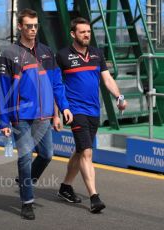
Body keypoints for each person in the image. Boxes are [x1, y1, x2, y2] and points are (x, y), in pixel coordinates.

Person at [0, 8, 73, 220]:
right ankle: (27, 202)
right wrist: (4, 120)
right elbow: (3, 90)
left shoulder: (47, 52)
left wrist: (62, 108)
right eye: (28, 25)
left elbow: (56, 84)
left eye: (35, 25)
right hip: (20, 116)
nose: (32, 29)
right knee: (24, 158)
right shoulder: (9, 54)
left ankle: (26, 181)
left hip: (44, 115)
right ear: (20, 26)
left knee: (47, 154)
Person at [56, 17, 127, 213]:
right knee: (87, 152)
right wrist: (57, 113)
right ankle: (94, 197)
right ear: (73, 34)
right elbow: (55, 85)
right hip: (75, 111)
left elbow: (107, 79)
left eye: (88, 31)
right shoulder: (62, 55)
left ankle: (65, 187)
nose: (87, 35)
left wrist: (119, 97)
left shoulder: (97, 54)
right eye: (82, 32)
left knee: (80, 151)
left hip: (94, 111)